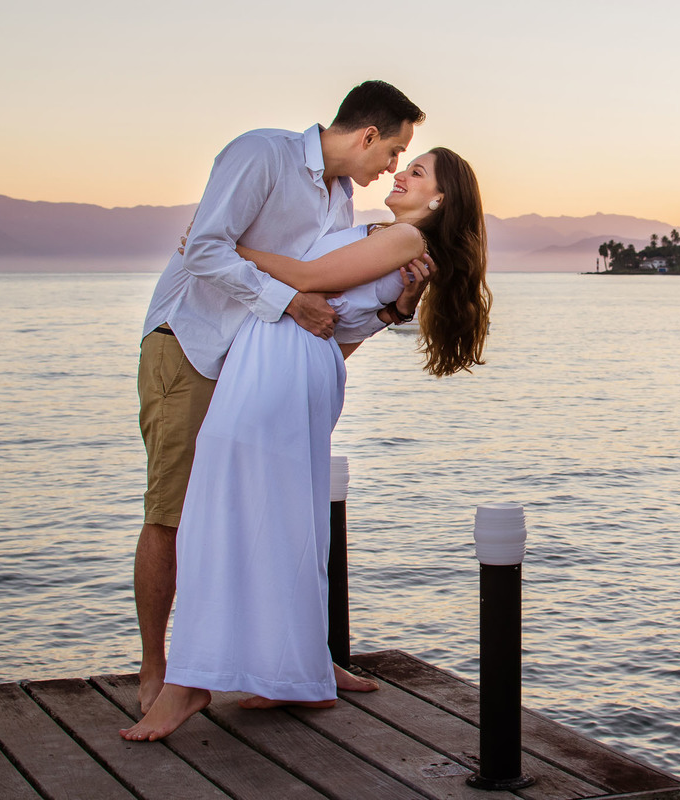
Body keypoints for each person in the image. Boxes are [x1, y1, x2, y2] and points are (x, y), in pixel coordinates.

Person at [121, 148, 491, 741]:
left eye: (415, 170)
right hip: (285, 364)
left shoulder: (402, 240)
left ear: (440, 200)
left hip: (276, 369)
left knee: (224, 512)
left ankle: (192, 681)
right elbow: (334, 329)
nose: (400, 171)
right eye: (403, 162)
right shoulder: (387, 240)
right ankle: (293, 670)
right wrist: (396, 307)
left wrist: (223, 247)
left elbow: (311, 281)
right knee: (280, 519)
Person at [134, 80, 427, 714]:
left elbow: (326, 311)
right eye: (396, 150)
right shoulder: (261, 155)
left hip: (255, 366)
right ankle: (159, 666)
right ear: (368, 134)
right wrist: (287, 301)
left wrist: (395, 309)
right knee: (173, 511)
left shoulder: (342, 201)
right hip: (191, 344)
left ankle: (285, 659)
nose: (393, 167)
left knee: (270, 512)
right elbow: (204, 250)